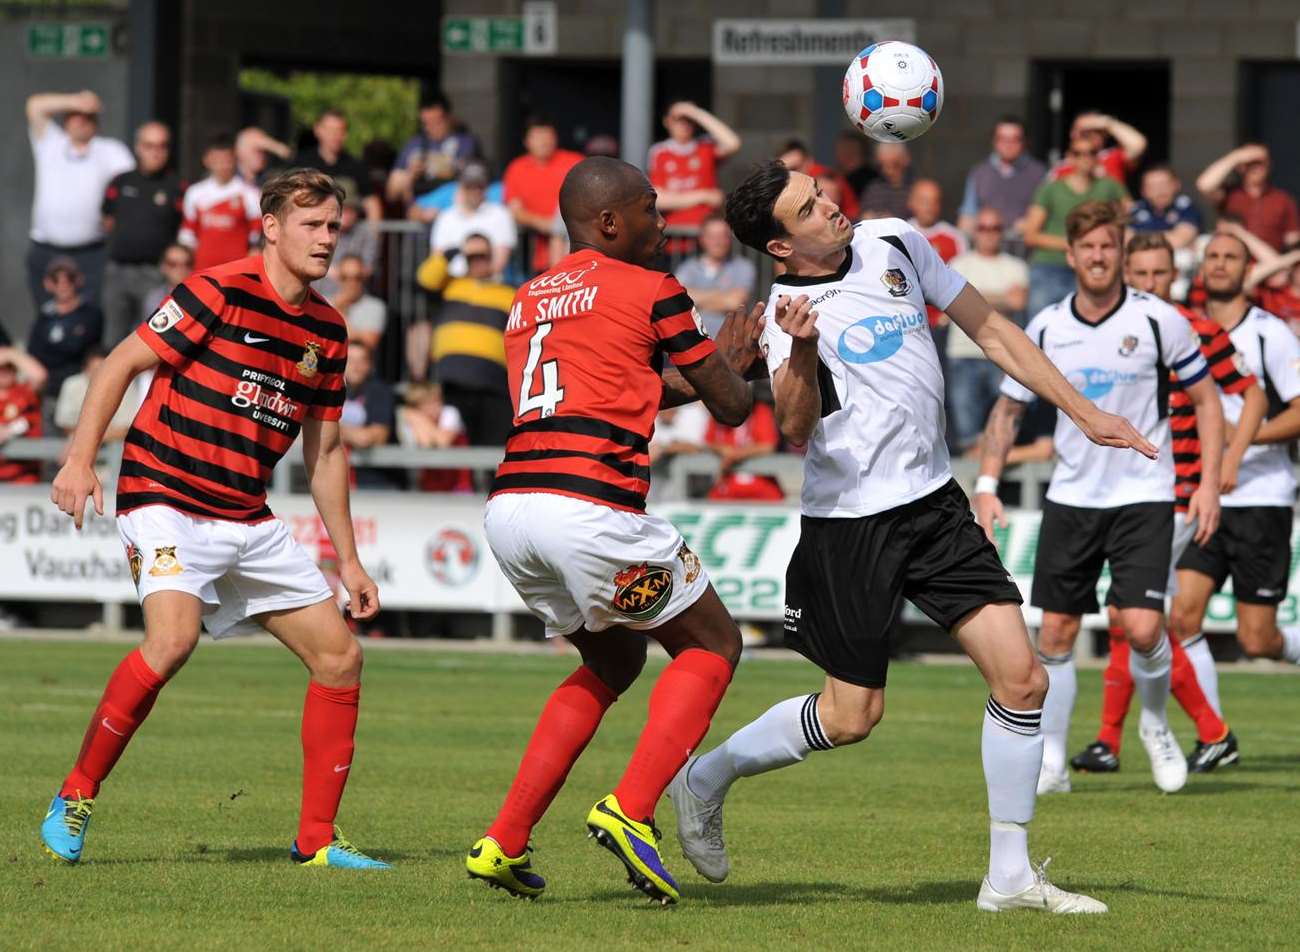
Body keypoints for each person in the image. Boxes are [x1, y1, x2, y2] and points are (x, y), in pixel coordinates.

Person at [672, 162, 1153, 915]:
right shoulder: (783, 311)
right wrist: (798, 349)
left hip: (935, 506)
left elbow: (992, 330)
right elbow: (795, 429)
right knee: (852, 716)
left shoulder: (896, 239)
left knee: (1023, 679)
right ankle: (708, 776)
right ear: (780, 247)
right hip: (850, 525)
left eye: (821, 190)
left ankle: (1009, 877)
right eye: (808, 206)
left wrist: (1081, 411)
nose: (830, 205)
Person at [40, 168, 389, 870]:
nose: (327, 239)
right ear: (270, 227)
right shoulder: (216, 290)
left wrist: (348, 559)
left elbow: (324, 452)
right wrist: (80, 460)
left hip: (245, 515)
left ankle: (317, 841)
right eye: (313, 225)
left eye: (333, 226)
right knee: (172, 641)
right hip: (163, 495)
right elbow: (119, 365)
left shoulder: (327, 328)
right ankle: (74, 795)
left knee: (340, 658)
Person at [464, 156, 758, 905]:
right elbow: (729, 407)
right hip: (589, 508)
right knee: (714, 644)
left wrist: (712, 367)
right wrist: (739, 361)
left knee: (616, 661)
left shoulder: (529, 297)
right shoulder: (653, 289)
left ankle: (504, 840)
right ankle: (632, 808)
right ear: (608, 222)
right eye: (651, 210)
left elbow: (631, 386)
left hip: (513, 510)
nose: (664, 224)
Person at [976, 200, 1224, 797]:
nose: (1097, 255)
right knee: (1056, 633)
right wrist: (986, 483)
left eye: (1108, 246)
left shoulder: (1161, 321)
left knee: (1142, 628)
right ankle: (1054, 758)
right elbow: (1009, 410)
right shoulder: (1045, 327)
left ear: (1120, 252)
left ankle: (1156, 724)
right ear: (1070, 255)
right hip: (1072, 496)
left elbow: (1209, 401)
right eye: (1086, 246)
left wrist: (1210, 483)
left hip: (1145, 491)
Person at [1071, 231, 1265, 777]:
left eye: (1161, 275)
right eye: (1143, 275)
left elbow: (1253, 394)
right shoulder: (1114, 334)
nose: (1152, 284)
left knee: (1133, 616)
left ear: (1174, 278)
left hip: (1174, 497)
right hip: (1125, 494)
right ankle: (1145, 737)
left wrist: (1225, 464)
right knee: (1138, 619)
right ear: (1127, 274)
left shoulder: (1194, 330)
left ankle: (1187, 732)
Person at [1166, 232, 1300, 739]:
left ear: (1248, 271)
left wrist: (1236, 444)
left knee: (1257, 638)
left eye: (1231, 258)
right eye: (1213, 257)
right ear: (1201, 268)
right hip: (1204, 500)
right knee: (1182, 618)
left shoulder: (1271, 334)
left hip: (1261, 498)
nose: (1220, 265)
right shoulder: (1181, 329)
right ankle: (1214, 737)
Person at [25, 90, 135, 312]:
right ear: (66, 121)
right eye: (76, 116)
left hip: (90, 253)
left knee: (87, 317)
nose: (82, 121)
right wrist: (78, 102)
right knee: (48, 315)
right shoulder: (51, 143)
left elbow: (130, 187)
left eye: (87, 117)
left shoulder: (110, 150)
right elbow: (34, 106)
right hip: (46, 249)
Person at [411, 233, 514, 446]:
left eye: (482, 255)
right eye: (472, 256)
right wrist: (452, 252)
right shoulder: (450, 285)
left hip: (492, 384)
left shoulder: (509, 292)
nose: (477, 261)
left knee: (494, 451)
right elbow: (424, 280)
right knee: (452, 449)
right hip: (451, 382)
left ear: (492, 256)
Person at [947, 208, 1029, 451]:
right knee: (968, 434)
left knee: (1008, 429)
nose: (989, 234)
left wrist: (970, 296)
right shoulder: (959, 263)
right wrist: (1001, 297)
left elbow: (1018, 301)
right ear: (975, 232)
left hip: (1002, 355)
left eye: (995, 228)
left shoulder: (1016, 266)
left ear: (1002, 232)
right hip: (963, 354)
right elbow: (950, 304)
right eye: (983, 227)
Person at [1023, 136, 1129, 318]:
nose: (1085, 158)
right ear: (1069, 156)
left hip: (1094, 264)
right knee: (1039, 323)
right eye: (1078, 153)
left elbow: (1131, 217)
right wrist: (1074, 245)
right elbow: (1030, 234)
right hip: (1051, 265)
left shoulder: (1109, 187)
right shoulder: (1051, 189)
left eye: (1091, 153)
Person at [101, 122, 186, 348]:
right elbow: (107, 220)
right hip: (118, 270)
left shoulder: (177, 186)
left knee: (152, 340)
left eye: (162, 146)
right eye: (149, 146)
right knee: (113, 338)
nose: (155, 152)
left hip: (155, 274)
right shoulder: (120, 182)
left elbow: (183, 230)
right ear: (138, 147)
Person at [649, 101, 741, 253]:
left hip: (707, 240)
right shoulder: (659, 152)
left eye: (689, 120)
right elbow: (659, 199)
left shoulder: (705, 147)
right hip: (675, 240)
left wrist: (696, 112)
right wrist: (702, 196)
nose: (684, 124)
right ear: (667, 122)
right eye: (679, 119)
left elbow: (733, 143)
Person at [503, 116, 584, 275]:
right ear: (527, 141)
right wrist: (547, 225)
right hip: (535, 246)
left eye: (548, 136)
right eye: (538, 137)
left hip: (574, 239)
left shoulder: (574, 162)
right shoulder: (517, 169)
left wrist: (559, 226)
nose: (544, 142)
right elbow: (515, 211)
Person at [179, 135, 263, 272]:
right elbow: (187, 233)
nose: (222, 166)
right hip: (202, 270)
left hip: (237, 271)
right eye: (217, 160)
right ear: (207, 160)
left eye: (227, 160)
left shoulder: (250, 194)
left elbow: (257, 234)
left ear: (235, 160)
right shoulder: (195, 192)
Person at [1196, 144, 1300, 253]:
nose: (1254, 167)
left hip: (1271, 264)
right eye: (1249, 163)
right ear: (1240, 167)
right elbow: (1204, 185)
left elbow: (1292, 241)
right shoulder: (1230, 194)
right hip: (1233, 262)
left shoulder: (1283, 200)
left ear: (1269, 165)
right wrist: (1236, 157)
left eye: (1259, 163)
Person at [27, 257, 104, 402]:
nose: (63, 284)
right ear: (48, 283)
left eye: (70, 278)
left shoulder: (91, 313)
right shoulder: (44, 316)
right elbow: (34, 352)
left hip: (80, 386)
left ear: (79, 280)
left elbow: (83, 348)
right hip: (48, 388)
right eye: (56, 279)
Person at [957, 117, 1048, 239]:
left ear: (1024, 142)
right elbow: (968, 215)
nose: (1008, 145)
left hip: (1023, 246)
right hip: (986, 247)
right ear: (994, 141)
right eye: (1003, 139)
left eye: (1015, 139)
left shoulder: (1039, 174)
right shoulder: (979, 173)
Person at [386, 94, 480, 206]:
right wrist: (411, 174)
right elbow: (391, 193)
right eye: (426, 123)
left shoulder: (466, 142)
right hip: (419, 206)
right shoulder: (414, 144)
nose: (430, 127)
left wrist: (432, 164)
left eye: (436, 122)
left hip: (453, 206)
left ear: (448, 118)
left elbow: (472, 178)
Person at [293, 109, 381, 223]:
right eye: (330, 130)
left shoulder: (356, 166)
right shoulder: (300, 163)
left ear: (345, 134)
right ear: (317, 130)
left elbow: (371, 202)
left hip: (350, 237)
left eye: (339, 130)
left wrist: (373, 237)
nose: (334, 135)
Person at [675, 215, 757, 338]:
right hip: (693, 342)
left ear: (729, 239)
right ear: (702, 239)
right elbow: (678, 299)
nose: (718, 242)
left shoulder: (743, 267)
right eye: (712, 237)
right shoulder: (687, 268)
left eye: (722, 236)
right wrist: (722, 297)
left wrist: (695, 300)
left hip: (730, 343)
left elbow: (735, 302)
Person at [430, 162, 516, 276]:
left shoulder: (500, 214)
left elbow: (499, 263)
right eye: (469, 186)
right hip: (450, 285)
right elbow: (437, 258)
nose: (475, 191)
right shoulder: (446, 216)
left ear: (486, 187)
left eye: (479, 186)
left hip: (488, 284)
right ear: (461, 187)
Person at [339, 340, 400, 490]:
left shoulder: (380, 392)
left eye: (362, 361)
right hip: (334, 480)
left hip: (376, 482)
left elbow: (372, 437)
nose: (356, 367)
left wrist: (330, 428)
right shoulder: (330, 390)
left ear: (370, 365)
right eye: (350, 360)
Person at [55, 347, 138, 441]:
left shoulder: (126, 385)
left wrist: (89, 434)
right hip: (77, 444)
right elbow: (66, 426)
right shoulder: (72, 384)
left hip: (116, 447)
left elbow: (126, 429)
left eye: (103, 371)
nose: (99, 375)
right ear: (85, 369)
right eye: (95, 370)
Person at [1052, 111, 1147, 185]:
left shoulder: (1111, 157)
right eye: (1082, 131)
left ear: (1104, 135)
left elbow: (1138, 145)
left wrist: (1107, 123)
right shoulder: (1062, 168)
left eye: (1095, 130)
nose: (1087, 135)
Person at [778, 139, 860, 221]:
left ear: (809, 161)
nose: (791, 174)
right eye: (787, 171)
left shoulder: (824, 180)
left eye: (795, 168)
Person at [317, 195, 379, 301]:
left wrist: (345, 272)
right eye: (343, 210)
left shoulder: (365, 234)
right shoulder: (322, 231)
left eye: (351, 210)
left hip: (357, 296)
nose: (347, 215)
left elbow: (368, 268)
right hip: (324, 294)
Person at [0, 350, 45, 484]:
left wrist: (10, 354)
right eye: (1, 368)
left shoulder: (24, 392)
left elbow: (40, 376)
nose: (4, 372)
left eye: (9, 368)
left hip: (22, 476)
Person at [327, 255, 386, 350]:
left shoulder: (375, 306)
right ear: (338, 278)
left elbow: (370, 342)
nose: (351, 283)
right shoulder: (324, 302)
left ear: (364, 277)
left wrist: (338, 309)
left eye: (357, 277)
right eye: (345, 277)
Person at [859, 142, 913, 220]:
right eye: (882, 166)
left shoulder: (915, 189)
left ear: (905, 159)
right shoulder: (873, 189)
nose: (888, 171)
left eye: (894, 165)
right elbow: (862, 215)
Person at [142, 244, 194, 319]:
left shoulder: (203, 298)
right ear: (163, 267)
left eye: (187, 264)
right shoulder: (154, 299)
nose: (181, 270)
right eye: (173, 264)